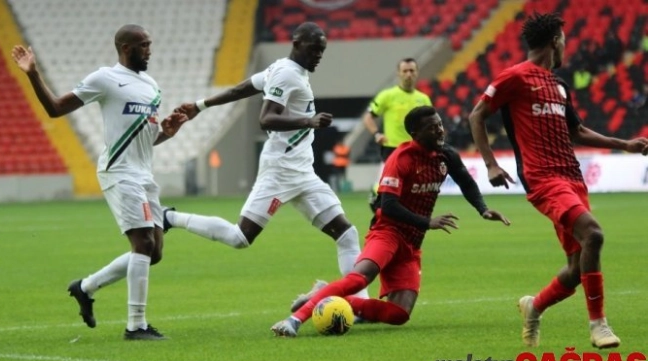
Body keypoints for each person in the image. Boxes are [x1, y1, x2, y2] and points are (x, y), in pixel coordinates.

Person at [468, 12, 648, 349]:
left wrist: (623, 144)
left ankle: (533, 306)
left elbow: (576, 130)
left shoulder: (559, 86)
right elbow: (476, 114)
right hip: (543, 179)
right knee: (594, 234)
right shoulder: (515, 77)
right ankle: (599, 325)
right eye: (564, 39)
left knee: (577, 266)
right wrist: (491, 164)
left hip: (572, 177)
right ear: (555, 41)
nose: (566, 45)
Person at [164, 22, 370, 303]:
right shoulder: (287, 74)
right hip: (279, 171)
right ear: (296, 43)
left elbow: (241, 89)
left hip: (303, 173)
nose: (318, 56)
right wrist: (308, 121)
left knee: (347, 234)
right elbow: (266, 118)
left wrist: (201, 105)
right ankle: (171, 218)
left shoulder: (284, 69)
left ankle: (360, 305)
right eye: (313, 49)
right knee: (240, 238)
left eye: (321, 51)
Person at [11, 24, 188, 340]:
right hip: (119, 171)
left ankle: (85, 287)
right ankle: (136, 326)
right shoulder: (104, 78)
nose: (149, 49)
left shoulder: (151, 85)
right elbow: (55, 109)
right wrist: (32, 74)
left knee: (155, 252)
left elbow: (145, 139)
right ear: (125, 48)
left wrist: (166, 133)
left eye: (149, 44)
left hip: (144, 174)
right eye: (143, 45)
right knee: (143, 244)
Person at [271, 106, 510, 337]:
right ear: (415, 134)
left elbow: (466, 182)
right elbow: (389, 206)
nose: (440, 130)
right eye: (432, 127)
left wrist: (483, 209)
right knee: (358, 279)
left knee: (400, 314)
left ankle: (322, 295)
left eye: (439, 125)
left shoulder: (446, 155)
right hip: (388, 232)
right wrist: (427, 222)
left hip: (411, 243)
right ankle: (294, 321)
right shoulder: (401, 159)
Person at [362, 58, 433, 211]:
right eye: (405, 71)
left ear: (417, 73)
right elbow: (368, 117)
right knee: (383, 188)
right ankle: (378, 212)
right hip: (392, 149)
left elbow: (431, 125)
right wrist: (376, 134)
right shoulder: (387, 96)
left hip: (415, 151)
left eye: (412, 71)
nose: (408, 74)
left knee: (410, 191)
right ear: (398, 74)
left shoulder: (423, 99)